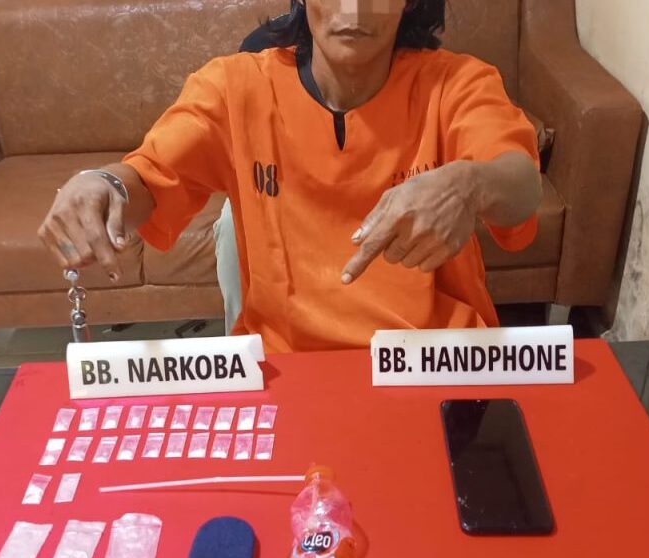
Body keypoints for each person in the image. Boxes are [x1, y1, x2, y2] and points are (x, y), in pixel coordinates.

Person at [38, 0, 542, 353]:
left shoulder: (457, 84)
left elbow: (521, 183)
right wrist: (102, 185)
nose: (355, 8)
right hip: (289, 368)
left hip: (437, 362)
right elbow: (147, 178)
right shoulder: (235, 88)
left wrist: (470, 184)